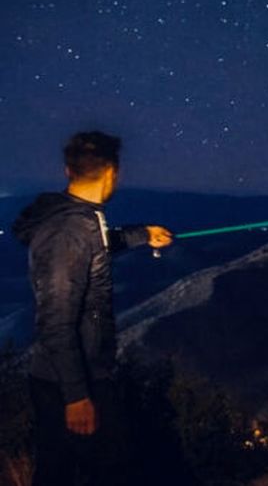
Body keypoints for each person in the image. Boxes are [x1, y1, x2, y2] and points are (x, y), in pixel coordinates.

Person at [11, 131, 173, 485]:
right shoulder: (69, 230)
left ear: (68, 171)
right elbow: (55, 320)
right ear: (113, 173)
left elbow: (94, 245)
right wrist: (77, 396)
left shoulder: (77, 218)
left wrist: (143, 234)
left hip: (71, 374)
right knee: (112, 469)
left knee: (64, 471)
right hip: (70, 380)